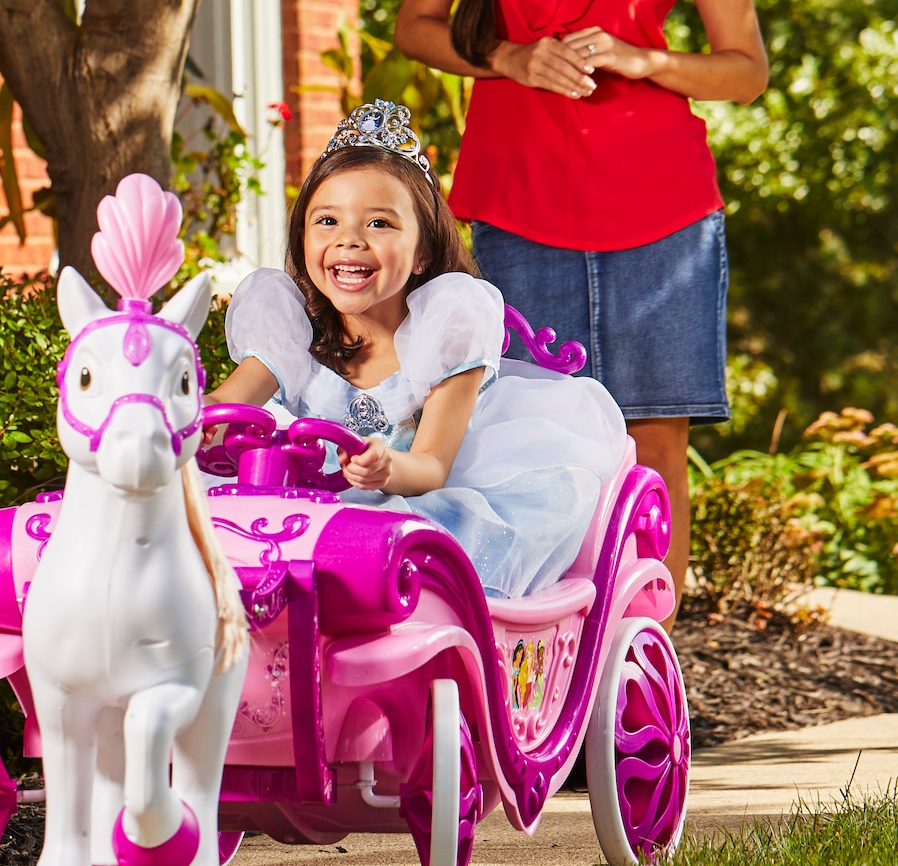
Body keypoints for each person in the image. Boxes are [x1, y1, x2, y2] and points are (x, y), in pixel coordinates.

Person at [388, 0, 768, 605]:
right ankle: (534, 678)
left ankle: (644, 685)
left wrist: (647, 61)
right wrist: (510, 60)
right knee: (526, 440)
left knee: (651, 443)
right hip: (517, 206)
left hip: (662, 216)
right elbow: (416, 23)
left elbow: (746, 70)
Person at [208, 101, 624, 599]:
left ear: (423, 251)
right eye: (327, 221)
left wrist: (388, 468)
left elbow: (430, 466)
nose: (349, 241)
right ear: (302, 238)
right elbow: (224, 408)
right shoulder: (288, 329)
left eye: (379, 224)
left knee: (390, 548)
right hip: (303, 513)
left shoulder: (448, 331)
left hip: (405, 510)